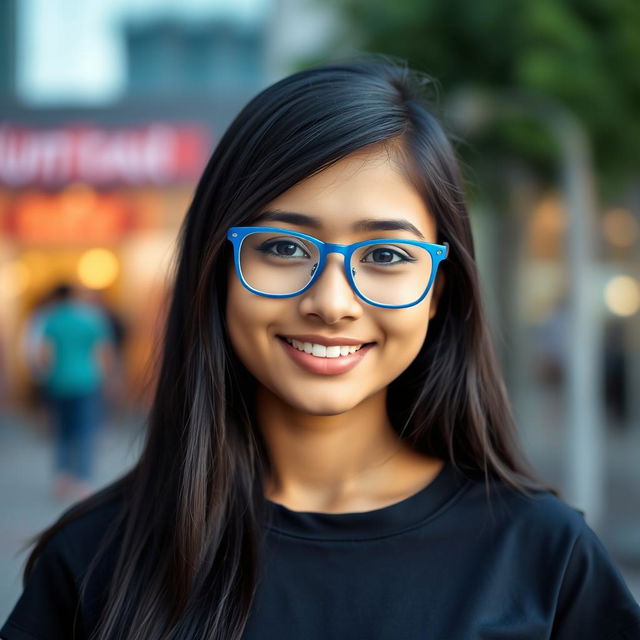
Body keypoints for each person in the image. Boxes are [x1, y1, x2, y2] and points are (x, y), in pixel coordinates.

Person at [2, 60, 640, 640]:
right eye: (283, 248)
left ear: (438, 291)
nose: (331, 302)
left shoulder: (546, 559)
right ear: (219, 268)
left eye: (387, 255)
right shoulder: (93, 559)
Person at [35, 282, 116, 501]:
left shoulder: (51, 319)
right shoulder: (92, 318)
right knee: (84, 431)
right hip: (87, 381)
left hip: (58, 381)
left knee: (62, 430)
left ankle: (62, 477)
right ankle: (83, 480)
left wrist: (45, 378)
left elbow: (43, 354)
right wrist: (105, 379)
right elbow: (104, 353)